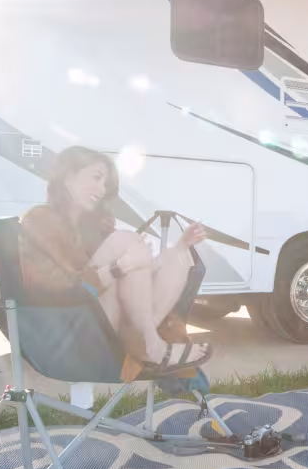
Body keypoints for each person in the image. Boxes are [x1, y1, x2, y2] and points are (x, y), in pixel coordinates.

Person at [19, 146, 210, 377]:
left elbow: (139, 282)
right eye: (96, 178)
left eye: (105, 184)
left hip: (110, 323)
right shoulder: (39, 219)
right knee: (125, 242)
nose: (102, 189)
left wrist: (181, 246)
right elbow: (56, 287)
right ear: (68, 177)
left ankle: (144, 345)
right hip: (70, 324)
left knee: (174, 258)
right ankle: (151, 346)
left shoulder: (97, 226)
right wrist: (122, 266)